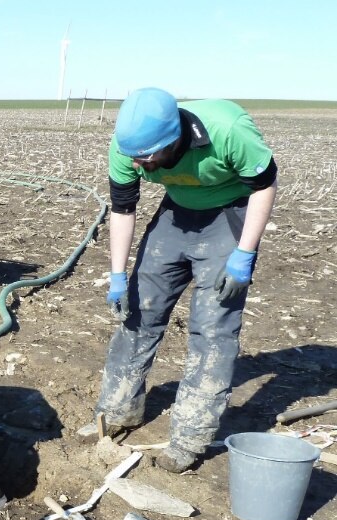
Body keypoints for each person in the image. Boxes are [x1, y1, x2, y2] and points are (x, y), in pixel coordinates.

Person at [84, 87, 278, 472]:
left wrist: (244, 253)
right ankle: (118, 413)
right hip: (176, 214)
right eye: (135, 159)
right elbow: (123, 210)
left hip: (229, 215)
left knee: (212, 331)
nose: (140, 167)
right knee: (137, 315)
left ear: (175, 140)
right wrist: (119, 275)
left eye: (149, 159)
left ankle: (190, 438)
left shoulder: (228, 129)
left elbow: (264, 184)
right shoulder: (127, 148)